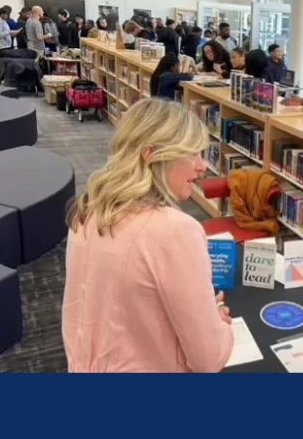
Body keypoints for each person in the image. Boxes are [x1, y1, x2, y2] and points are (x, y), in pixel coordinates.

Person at [62, 98, 234, 371]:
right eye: (192, 154)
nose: (203, 167)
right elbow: (208, 359)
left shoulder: (89, 209)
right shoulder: (176, 231)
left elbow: (84, 311)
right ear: (152, 155)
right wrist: (218, 323)